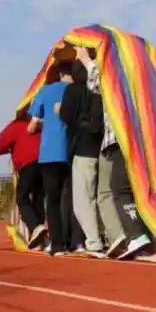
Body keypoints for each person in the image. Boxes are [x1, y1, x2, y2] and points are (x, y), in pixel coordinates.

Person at [77, 46, 156, 260]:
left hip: (123, 138)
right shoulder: (147, 78)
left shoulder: (119, 78)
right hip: (146, 140)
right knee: (139, 189)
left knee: (119, 188)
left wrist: (86, 60)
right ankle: (150, 235)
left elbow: (98, 84)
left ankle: (136, 235)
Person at [59, 61, 106, 255]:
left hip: (82, 148)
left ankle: (94, 241)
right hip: (101, 148)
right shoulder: (100, 89)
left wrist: (61, 111)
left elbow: (66, 115)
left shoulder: (74, 90)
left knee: (82, 200)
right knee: (100, 196)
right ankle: (106, 236)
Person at [28, 62, 74, 256]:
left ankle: (57, 244)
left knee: (52, 201)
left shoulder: (46, 91)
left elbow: (31, 126)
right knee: (69, 199)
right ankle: (72, 240)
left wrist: (43, 125)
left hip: (48, 154)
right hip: (71, 152)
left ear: (60, 73)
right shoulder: (78, 91)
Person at [0, 110, 45, 247]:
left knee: (22, 196)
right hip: (45, 162)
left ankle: (35, 227)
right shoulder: (38, 124)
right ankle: (39, 237)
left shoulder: (14, 126)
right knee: (38, 198)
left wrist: (9, 148)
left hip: (28, 164)